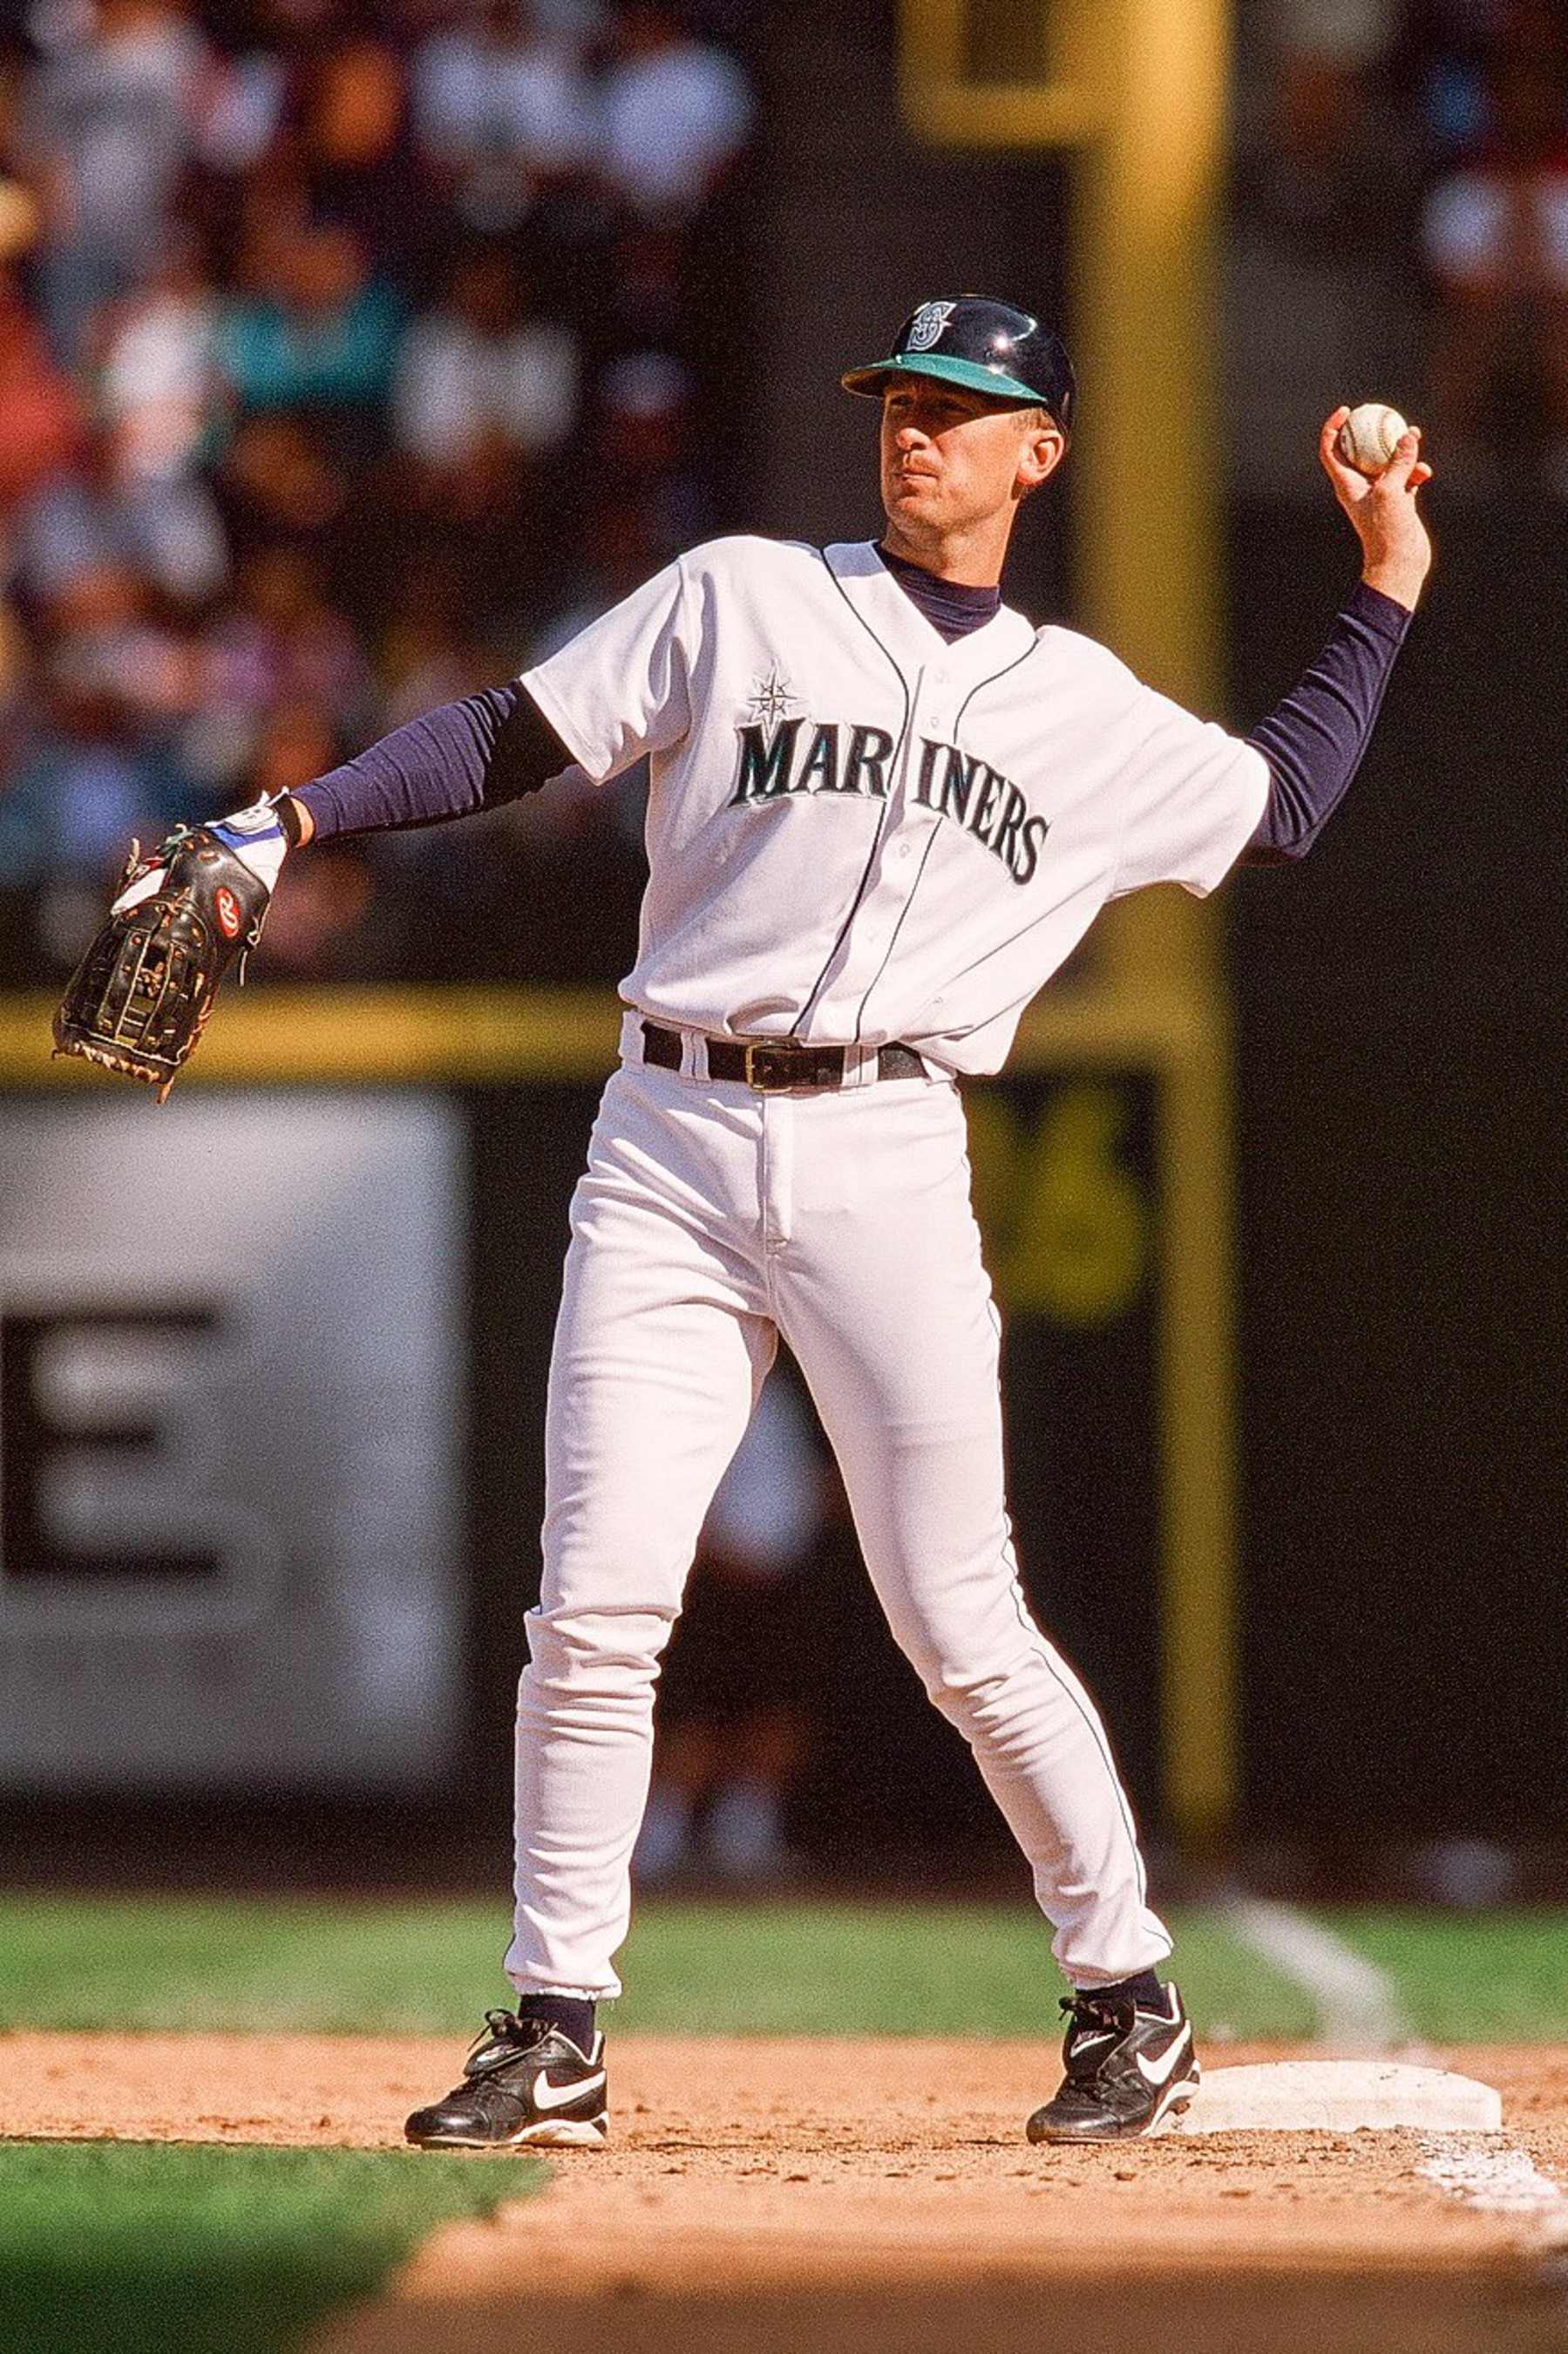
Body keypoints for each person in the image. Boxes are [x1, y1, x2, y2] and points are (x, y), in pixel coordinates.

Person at [180, 296, 1433, 2145]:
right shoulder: (741, 593)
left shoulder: (1079, 710)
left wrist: (1388, 575)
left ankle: (1129, 1995)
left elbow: (1291, 799)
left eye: (961, 406)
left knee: (960, 1621)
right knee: (596, 1605)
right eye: (901, 400)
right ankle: (552, 2031)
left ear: (1041, 451)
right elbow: (518, 736)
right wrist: (294, 818)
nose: (917, 429)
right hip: (669, 1133)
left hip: (888, 1154)